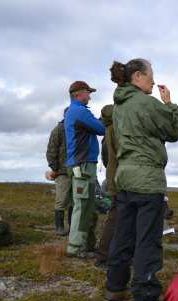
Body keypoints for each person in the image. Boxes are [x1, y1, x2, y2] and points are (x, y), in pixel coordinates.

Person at [104, 59, 178, 301]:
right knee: (148, 240)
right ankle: (145, 294)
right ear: (138, 76)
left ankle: (115, 287)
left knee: (123, 234)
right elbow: (175, 130)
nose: (153, 80)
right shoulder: (146, 103)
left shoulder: (119, 107)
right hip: (148, 180)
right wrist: (169, 103)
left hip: (125, 177)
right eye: (151, 76)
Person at [64, 81, 105, 258]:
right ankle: (75, 248)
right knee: (82, 207)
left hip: (84, 165)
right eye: (88, 93)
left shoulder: (75, 111)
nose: (90, 96)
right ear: (79, 93)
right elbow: (101, 128)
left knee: (86, 206)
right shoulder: (79, 111)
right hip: (83, 165)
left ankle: (85, 245)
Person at [94, 104, 120, 269]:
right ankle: (103, 257)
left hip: (115, 177)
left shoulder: (108, 131)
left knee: (117, 217)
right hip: (120, 180)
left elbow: (106, 159)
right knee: (115, 217)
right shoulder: (116, 129)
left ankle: (107, 255)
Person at [46, 108, 72, 236]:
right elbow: (51, 151)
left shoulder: (77, 129)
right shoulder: (59, 130)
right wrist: (56, 169)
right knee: (61, 201)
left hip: (75, 171)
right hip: (62, 172)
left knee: (74, 201)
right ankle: (59, 228)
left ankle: (72, 228)